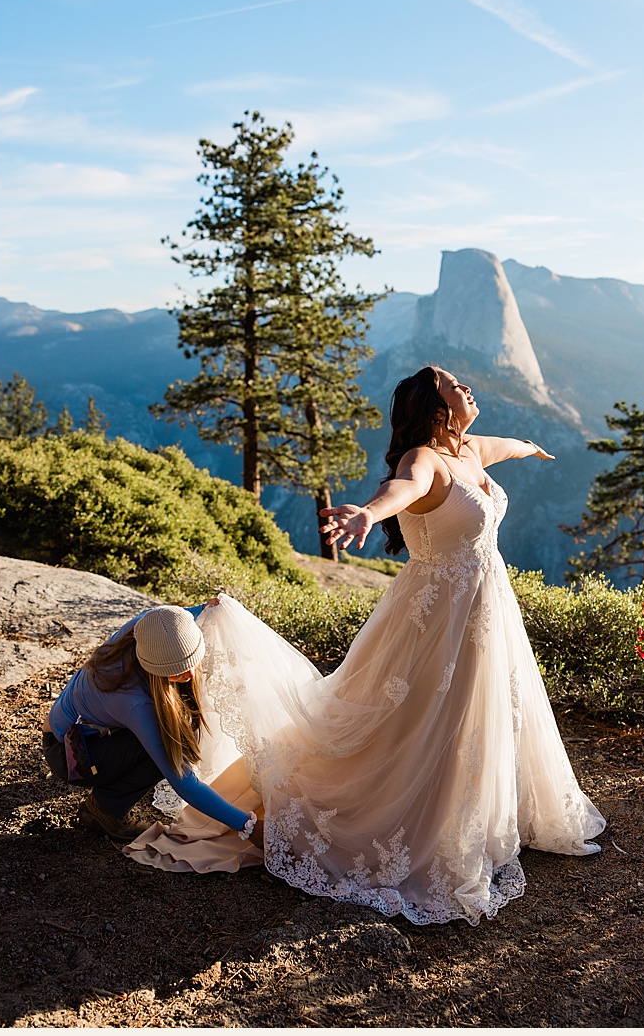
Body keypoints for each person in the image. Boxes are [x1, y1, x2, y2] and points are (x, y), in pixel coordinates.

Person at [126, 365, 607, 925]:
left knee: (486, 711)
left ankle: (489, 813)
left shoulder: (471, 448)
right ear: (435, 409)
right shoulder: (421, 461)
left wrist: (531, 448)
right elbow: (400, 491)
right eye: (454, 383)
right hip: (434, 619)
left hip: (484, 609)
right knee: (424, 716)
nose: (466, 385)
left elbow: (501, 448)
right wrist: (368, 511)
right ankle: (413, 821)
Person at [43, 603, 254, 843]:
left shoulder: (146, 626)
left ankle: (114, 780)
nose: (190, 675)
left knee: (176, 720)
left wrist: (207, 607)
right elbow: (183, 781)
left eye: (191, 662)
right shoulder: (134, 704)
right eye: (178, 670)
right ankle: (105, 808)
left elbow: (176, 618)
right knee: (169, 745)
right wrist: (245, 825)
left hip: (78, 728)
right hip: (70, 753)